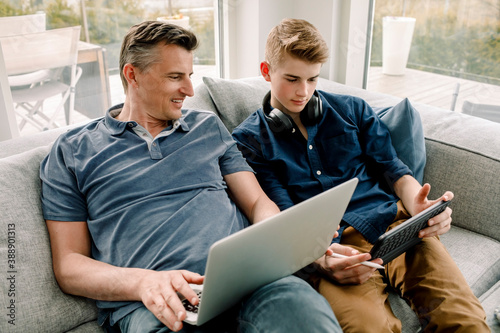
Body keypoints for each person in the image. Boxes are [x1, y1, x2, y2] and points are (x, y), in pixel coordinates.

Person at [40, 20, 342, 333]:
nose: (189, 90)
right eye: (175, 77)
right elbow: (69, 266)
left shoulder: (207, 128)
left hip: (248, 283)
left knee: (305, 315)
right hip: (157, 304)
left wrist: (281, 241)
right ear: (133, 75)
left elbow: (256, 203)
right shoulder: (73, 152)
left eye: (189, 76)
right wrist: (144, 282)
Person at [232, 18, 489, 332]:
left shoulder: (353, 110)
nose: (304, 91)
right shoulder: (249, 140)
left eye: (313, 79)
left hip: (395, 226)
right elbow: (280, 214)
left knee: (463, 319)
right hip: (332, 247)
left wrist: (420, 208)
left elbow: (395, 171)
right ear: (266, 71)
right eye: (292, 79)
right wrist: (318, 258)